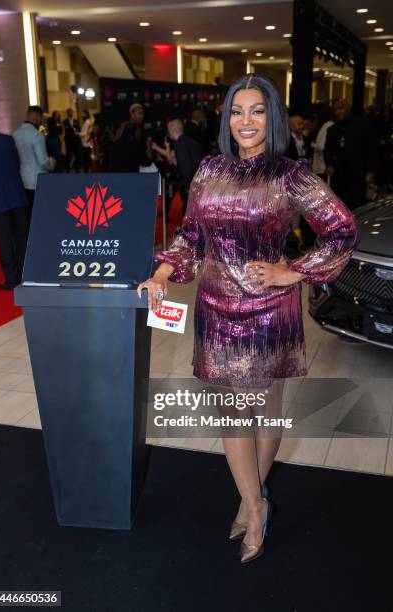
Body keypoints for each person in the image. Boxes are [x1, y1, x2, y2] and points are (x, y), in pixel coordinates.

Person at [137, 74, 359, 563]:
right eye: (237, 111)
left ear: (272, 117)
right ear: (226, 119)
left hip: (268, 315)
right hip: (215, 310)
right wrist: (160, 274)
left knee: (266, 412)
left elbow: (343, 230)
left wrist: (293, 271)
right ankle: (257, 505)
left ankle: (248, 500)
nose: (246, 121)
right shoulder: (209, 170)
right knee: (231, 415)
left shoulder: (290, 174)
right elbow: (191, 235)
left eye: (257, 111)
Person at [0, 111, 29, 289]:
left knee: (3, 240)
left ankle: (12, 279)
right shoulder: (8, 139)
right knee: (21, 237)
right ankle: (27, 273)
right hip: (16, 194)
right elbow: (17, 164)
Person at [324, 99, 378, 210]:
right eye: (336, 110)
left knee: (358, 207)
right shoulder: (332, 130)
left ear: (348, 108)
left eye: (342, 108)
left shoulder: (363, 125)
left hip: (359, 175)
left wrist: (371, 170)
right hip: (339, 177)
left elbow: (371, 149)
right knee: (341, 207)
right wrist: (329, 164)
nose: (339, 112)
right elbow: (328, 150)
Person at [152, 119, 204, 215]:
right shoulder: (189, 142)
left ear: (171, 130)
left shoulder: (180, 144)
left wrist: (187, 185)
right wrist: (160, 148)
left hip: (192, 185)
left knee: (189, 214)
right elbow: (172, 159)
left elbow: (186, 169)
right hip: (200, 184)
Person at [13, 105, 55, 222]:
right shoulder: (37, 135)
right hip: (37, 181)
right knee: (40, 215)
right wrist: (51, 163)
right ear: (38, 118)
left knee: (27, 216)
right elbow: (43, 161)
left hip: (22, 180)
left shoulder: (15, 134)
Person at [110, 103, 153, 172]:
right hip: (129, 169)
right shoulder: (136, 127)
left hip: (119, 169)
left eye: (143, 114)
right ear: (132, 115)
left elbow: (115, 140)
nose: (142, 116)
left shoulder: (123, 126)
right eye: (139, 113)